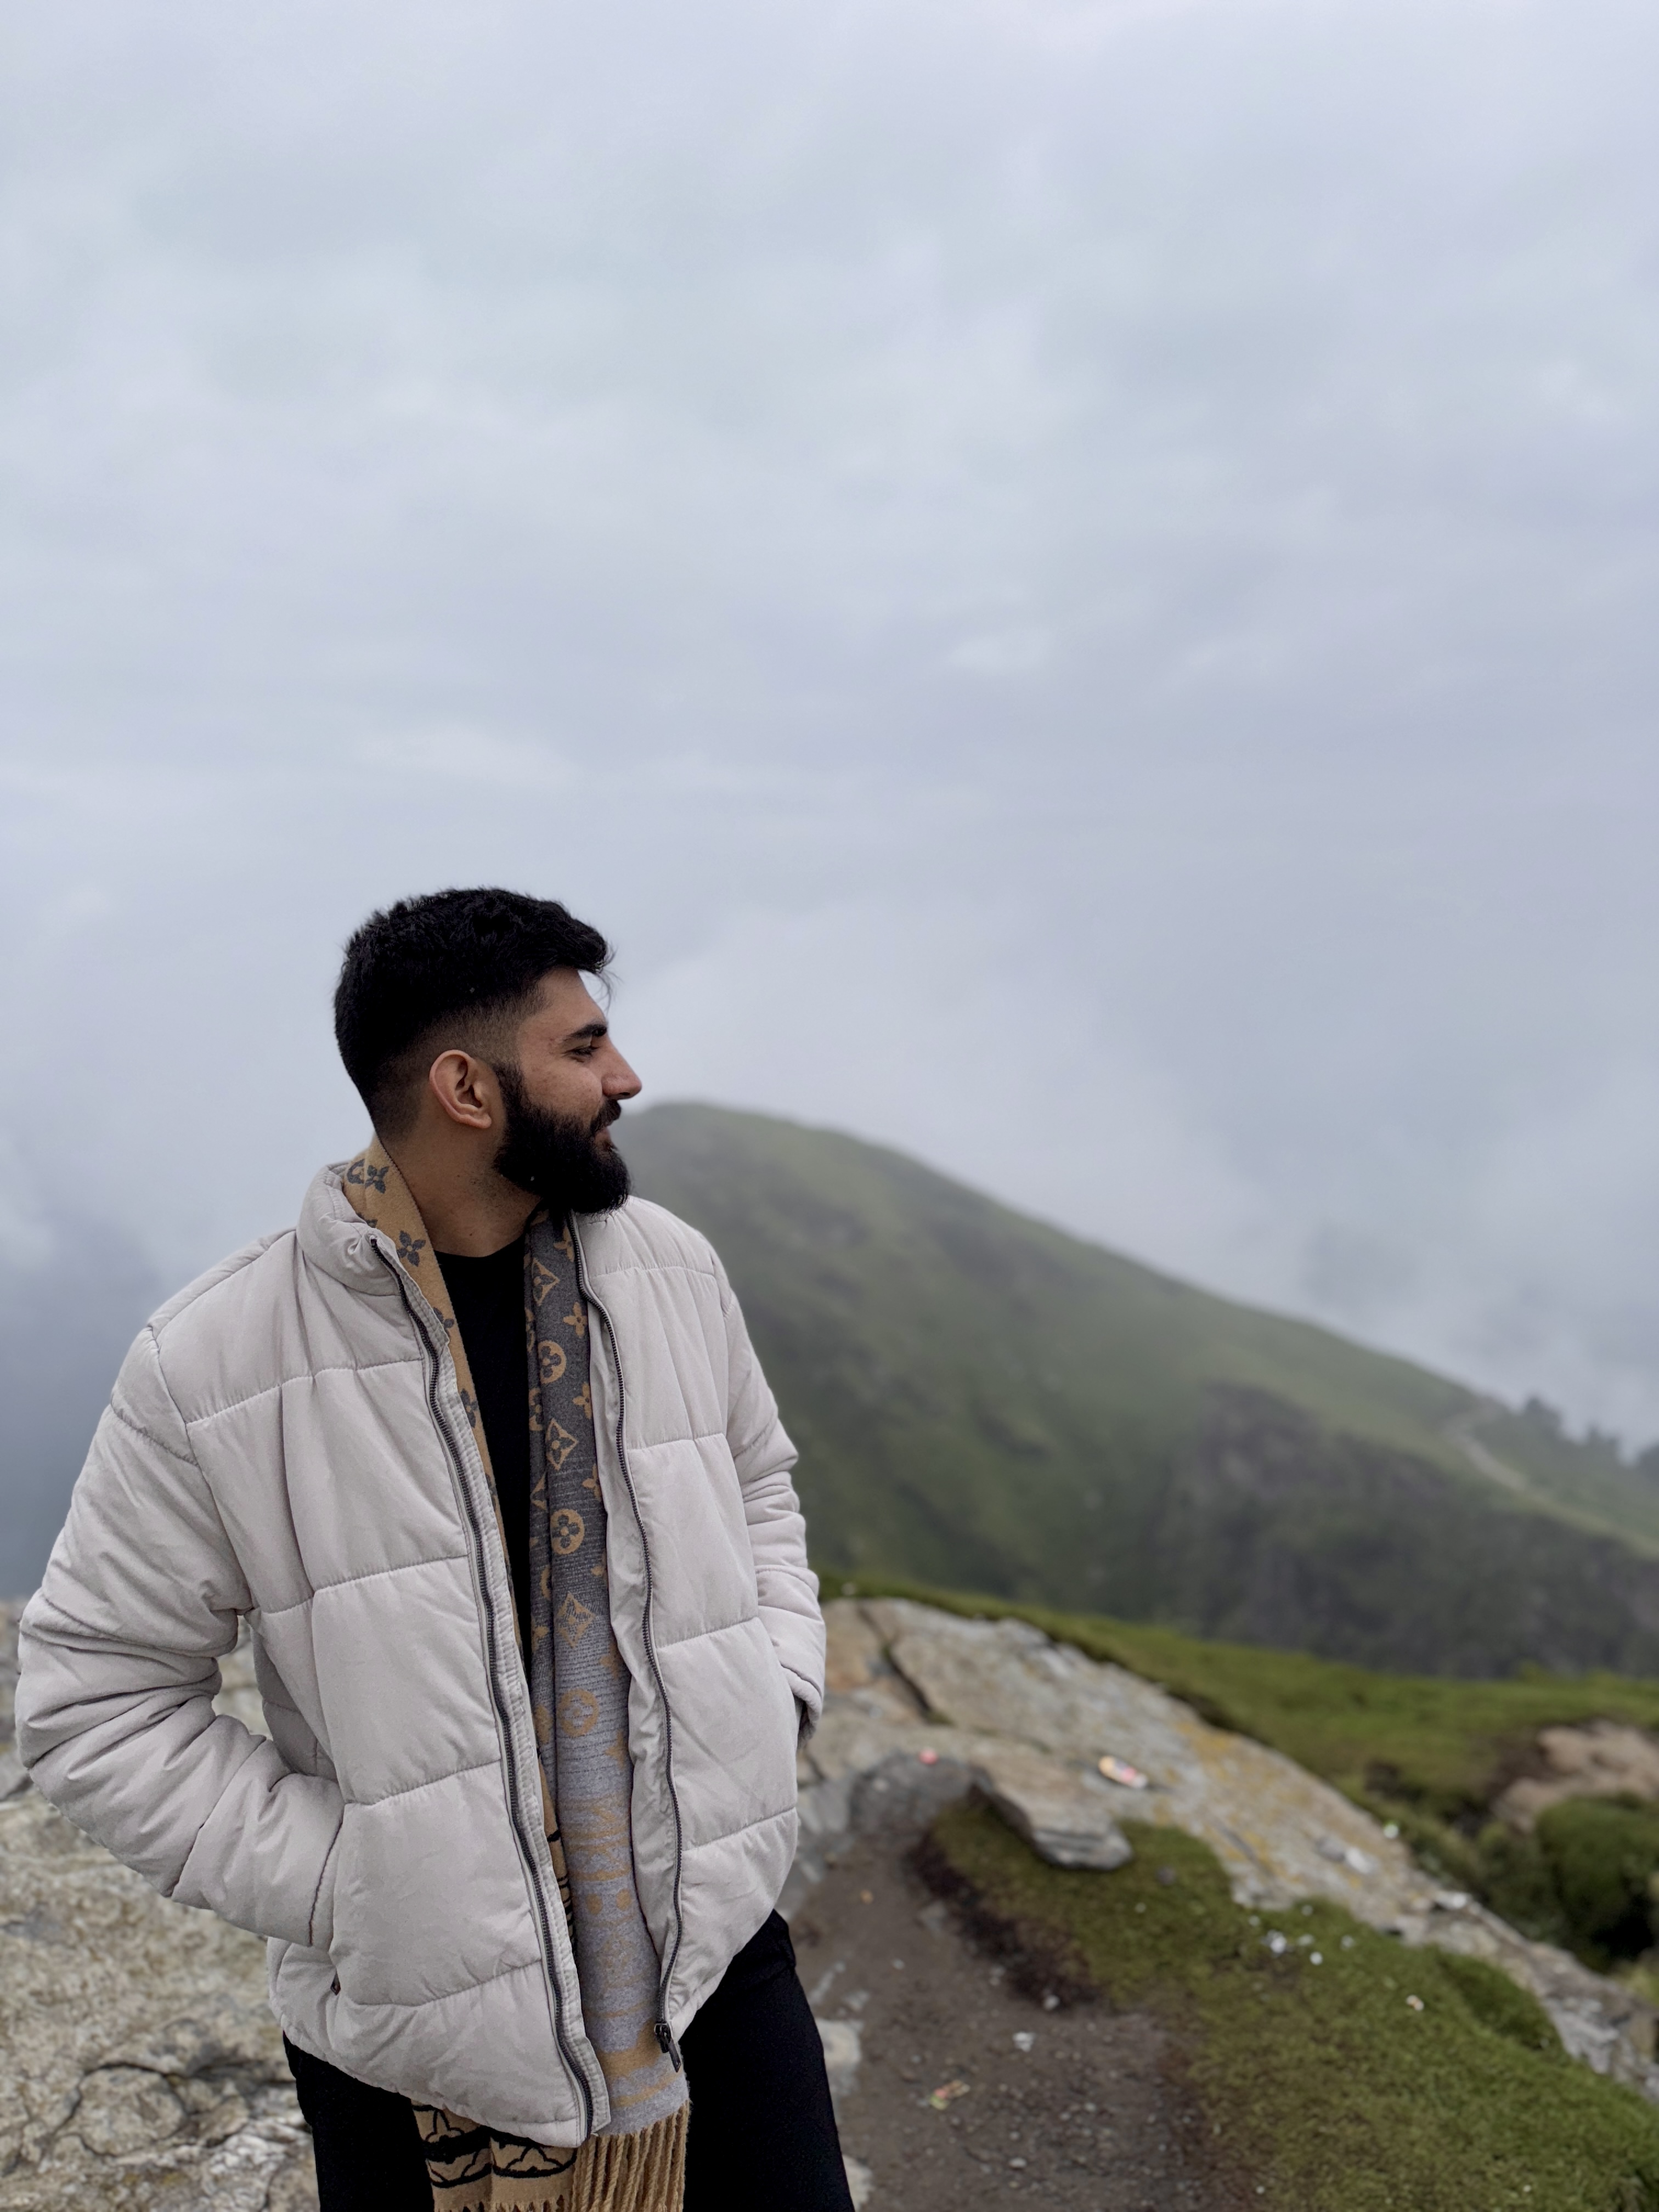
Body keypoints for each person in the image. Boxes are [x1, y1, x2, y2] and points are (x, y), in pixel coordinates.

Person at [15, 887, 850, 2212]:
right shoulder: (216, 1361)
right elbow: (94, 1703)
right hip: (420, 2041)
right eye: (583, 1047)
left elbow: (758, 1485)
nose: (627, 1077)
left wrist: (772, 1694)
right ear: (466, 1088)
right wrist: (361, 1888)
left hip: (717, 1970)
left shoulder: (671, 1270)